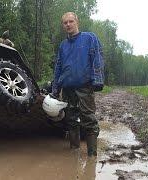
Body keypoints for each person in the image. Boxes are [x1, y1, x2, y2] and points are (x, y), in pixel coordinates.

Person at [51, 12, 104, 156]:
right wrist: (55, 89)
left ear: (77, 22)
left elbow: (97, 57)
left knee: (89, 119)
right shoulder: (63, 45)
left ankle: (92, 155)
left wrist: (98, 80)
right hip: (68, 88)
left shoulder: (89, 38)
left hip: (85, 86)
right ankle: (74, 152)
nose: (68, 24)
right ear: (63, 25)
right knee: (71, 119)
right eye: (65, 23)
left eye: (71, 21)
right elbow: (58, 67)